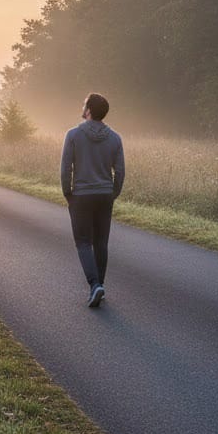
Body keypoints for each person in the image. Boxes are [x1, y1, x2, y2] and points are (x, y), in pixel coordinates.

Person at [60, 92, 125, 308]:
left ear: (88, 110)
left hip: (81, 195)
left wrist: (68, 192)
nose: (82, 106)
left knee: (83, 242)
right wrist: (112, 193)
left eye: (84, 103)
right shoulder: (115, 138)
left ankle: (95, 284)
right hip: (105, 195)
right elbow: (121, 171)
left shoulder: (73, 135)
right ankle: (100, 286)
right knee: (101, 242)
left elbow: (65, 168)